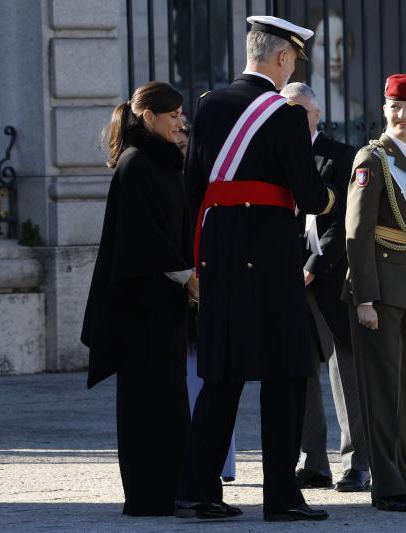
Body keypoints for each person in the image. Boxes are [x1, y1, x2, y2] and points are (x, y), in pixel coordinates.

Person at [175, 15, 335, 522]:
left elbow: (193, 192)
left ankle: (196, 490)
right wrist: (334, 197)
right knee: (286, 375)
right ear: (284, 58)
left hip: (219, 256)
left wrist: (195, 260)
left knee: (221, 375)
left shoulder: (208, 106)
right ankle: (281, 497)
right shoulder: (285, 115)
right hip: (269, 259)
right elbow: (310, 194)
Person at [81, 81, 194, 516]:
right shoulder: (135, 165)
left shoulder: (162, 164)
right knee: (148, 404)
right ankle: (150, 495)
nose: (180, 122)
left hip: (164, 306)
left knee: (169, 400)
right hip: (140, 309)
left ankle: (174, 489)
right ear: (148, 117)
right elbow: (141, 239)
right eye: (173, 116)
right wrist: (186, 276)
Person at [343, 74, 406, 512]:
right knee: (383, 390)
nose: (402, 115)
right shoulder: (372, 158)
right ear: (385, 110)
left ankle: (401, 471)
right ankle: (385, 485)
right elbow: (356, 233)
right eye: (395, 107)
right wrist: (363, 298)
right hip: (381, 292)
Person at [279, 82, 371, 493]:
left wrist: (315, 265)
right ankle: (312, 461)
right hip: (284, 276)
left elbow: (347, 220)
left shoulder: (342, 156)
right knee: (299, 371)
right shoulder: (274, 154)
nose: (293, 121)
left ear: (316, 114)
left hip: (329, 277)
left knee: (343, 371)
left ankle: (357, 463)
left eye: (299, 113)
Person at [176, 118, 238, 484]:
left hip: (208, 284)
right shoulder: (172, 181)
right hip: (184, 285)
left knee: (212, 378)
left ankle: (221, 465)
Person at [307, 6, 363, 126]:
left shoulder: (360, 112)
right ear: (308, 49)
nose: (335, 55)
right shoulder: (294, 103)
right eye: (324, 44)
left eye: (342, 44)